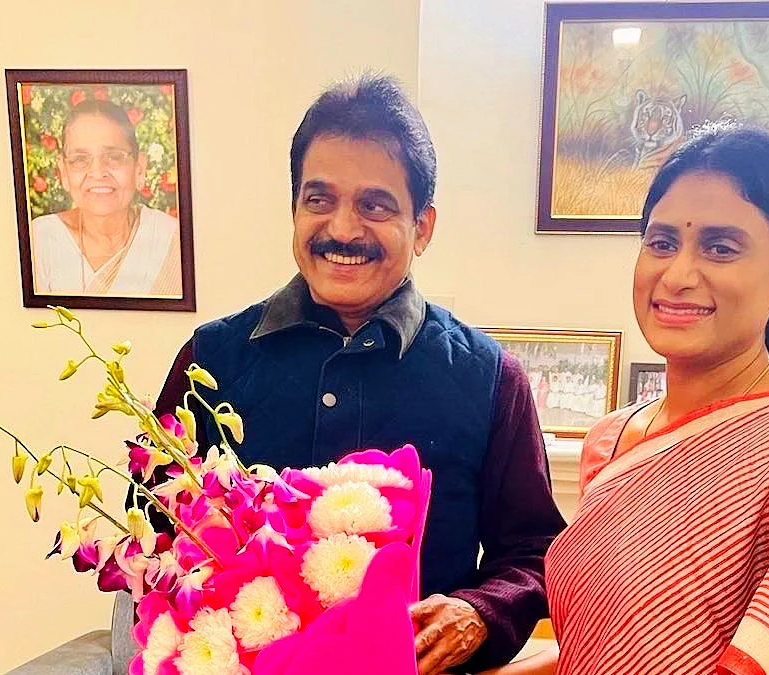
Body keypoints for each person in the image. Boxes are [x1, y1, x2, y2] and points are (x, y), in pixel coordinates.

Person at [148, 74, 566, 674]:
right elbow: (153, 535)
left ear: (422, 226)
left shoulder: (490, 379)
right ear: (295, 209)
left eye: (375, 205)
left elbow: (533, 554)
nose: (343, 230)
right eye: (319, 200)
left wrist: (477, 613)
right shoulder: (210, 361)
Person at [484, 125, 769, 675]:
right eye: (662, 243)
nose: (677, 275)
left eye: (720, 247)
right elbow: (604, 647)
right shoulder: (612, 440)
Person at [30, 99, 182, 297]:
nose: (97, 172)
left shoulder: (171, 238)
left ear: (139, 168)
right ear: (64, 171)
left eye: (114, 157)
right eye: (80, 159)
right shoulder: (40, 240)